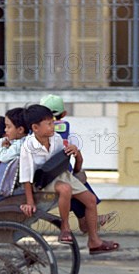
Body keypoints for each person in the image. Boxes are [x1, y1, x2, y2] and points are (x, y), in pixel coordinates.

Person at [19, 104, 119, 254]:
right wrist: (30, 201)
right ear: (35, 128)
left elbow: (63, 160)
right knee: (65, 189)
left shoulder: (56, 139)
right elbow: (26, 176)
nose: (53, 126)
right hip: (42, 182)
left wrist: (74, 152)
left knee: (91, 200)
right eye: (49, 124)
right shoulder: (28, 146)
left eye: (52, 122)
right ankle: (65, 228)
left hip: (61, 175)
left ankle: (94, 241)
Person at [40, 94, 117, 233]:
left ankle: (84, 220)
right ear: (64, 114)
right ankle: (84, 220)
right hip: (56, 177)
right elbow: (77, 160)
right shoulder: (68, 133)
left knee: (75, 180)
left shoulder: (34, 131)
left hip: (44, 175)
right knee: (77, 179)